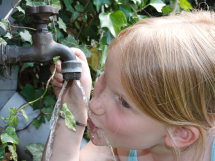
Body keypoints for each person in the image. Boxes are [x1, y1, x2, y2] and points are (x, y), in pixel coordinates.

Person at [45, 10, 215, 161]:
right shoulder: (124, 144)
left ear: (179, 133)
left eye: (124, 102)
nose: (95, 105)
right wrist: (73, 106)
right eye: (104, 78)